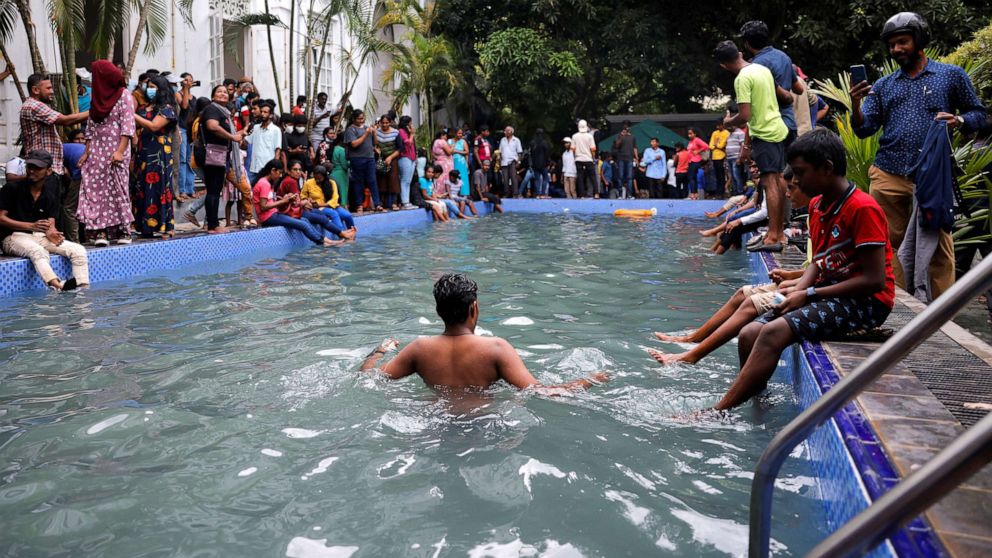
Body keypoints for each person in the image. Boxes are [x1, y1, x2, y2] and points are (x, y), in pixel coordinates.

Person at [711, 129, 895, 410]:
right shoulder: (820, 206)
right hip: (826, 293)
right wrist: (799, 288)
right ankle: (757, 400)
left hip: (866, 303)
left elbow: (874, 281)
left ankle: (719, 412)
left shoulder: (862, 208)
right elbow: (820, 261)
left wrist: (809, 294)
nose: (794, 181)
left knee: (772, 333)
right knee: (748, 334)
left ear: (827, 169)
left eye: (800, 173)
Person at [851, 11, 985, 300]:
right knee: (887, 245)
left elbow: (979, 115)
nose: (897, 49)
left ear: (919, 40)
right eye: (892, 45)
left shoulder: (950, 76)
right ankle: (897, 309)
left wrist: (959, 121)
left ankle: (940, 318)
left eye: (903, 42)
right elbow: (865, 129)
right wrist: (856, 104)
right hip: (888, 173)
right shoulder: (885, 85)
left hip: (933, 175)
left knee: (938, 246)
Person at [650, 167, 811, 365]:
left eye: (792, 188)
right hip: (801, 282)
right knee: (742, 293)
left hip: (809, 290)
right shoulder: (814, 211)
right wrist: (791, 274)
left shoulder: (826, 213)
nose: (786, 194)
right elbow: (820, 266)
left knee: (751, 310)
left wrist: (798, 285)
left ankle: (691, 356)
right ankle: (692, 339)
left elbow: (832, 271)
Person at [361, 273, 608, 392]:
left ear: (438, 311)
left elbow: (369, 378)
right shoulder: (496, 348)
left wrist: (379, 351)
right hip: (482, 424)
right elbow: (541, 392)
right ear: (474, 308)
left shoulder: (419, 348)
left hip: (431, 424)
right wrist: (591, 380)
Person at [715, 40, 789, 252]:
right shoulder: (762, 69)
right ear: (739, 53)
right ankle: (779, 232)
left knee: (769, 182)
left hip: (765, 133)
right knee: (778, 179)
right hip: (778, 128)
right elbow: (784, 95)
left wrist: (728, 122)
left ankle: (774, 234)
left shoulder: (742, 79)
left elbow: (745, 116)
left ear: (723, 64)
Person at [0, 150, 89, 291]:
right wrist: (31, 225)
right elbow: (1, 218)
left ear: (48, 171)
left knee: (78, 250)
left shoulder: (50, 193)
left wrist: (52, 232)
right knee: (38, 251)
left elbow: (51, 220)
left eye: (38, 168)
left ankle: (82, 289)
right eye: (30, 167)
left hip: (40, 236)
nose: (32, 171)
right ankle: (58, 285)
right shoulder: (11, 188)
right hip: (13, 237)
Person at [77, 61, 135, 246]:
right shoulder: (97, 97)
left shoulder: (124, 95)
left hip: (117, 146)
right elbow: (91, 126)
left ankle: (122, 231)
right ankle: (100, 231)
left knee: (117, 188)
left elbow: (127, 126)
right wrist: (86, 152)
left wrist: (119, 151)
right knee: (95, 189)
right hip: (96, 148)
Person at [130, 75, 178, 238]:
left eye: (153, 87)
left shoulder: (167, 108)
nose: (149, 89)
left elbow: (154, 125)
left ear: (162, 89)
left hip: (159, 153)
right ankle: (145, 226)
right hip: (143, 151)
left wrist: (131, 114)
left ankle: (166, 225)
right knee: (141, 187)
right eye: (147, 86)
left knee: (159, 186)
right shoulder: (144, 108)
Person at [251, 159, 340, 246]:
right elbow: (263, 206)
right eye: (279, 172)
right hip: (268, 217)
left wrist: (285, 199)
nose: (280, 175)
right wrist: (283, 201)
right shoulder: (264, 184)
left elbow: (270, 201)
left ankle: (325, 239)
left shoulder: (267, 183)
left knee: (304, 220)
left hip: (273, 214)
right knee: (303, 225)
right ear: (273, 170)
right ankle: (322, 242)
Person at [740, 20, 804, 142]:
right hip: (789, 124)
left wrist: (746, 145)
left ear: (747, 44)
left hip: (769, 130)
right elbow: (799, 90)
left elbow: (753, 106)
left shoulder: (755, 66)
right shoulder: (783, 57)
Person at [20, 74, 89, 179]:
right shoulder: (34, 106)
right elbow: (66, 120)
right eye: (48, 88)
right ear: (35, 90)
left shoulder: (32, 105)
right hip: (43, 168)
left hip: (45, 167)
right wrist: (95, 111)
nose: (52, 91)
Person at [198, 84, 245, 232]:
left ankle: (212, 224)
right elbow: (212, 126)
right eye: (219, 92)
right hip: (212, 154)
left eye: (225, 92)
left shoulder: (224, 113)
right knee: (213, 190)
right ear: (213, 96)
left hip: (219, 154)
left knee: (214, 189)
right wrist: (232, 137)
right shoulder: (212, 109)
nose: (223, 94)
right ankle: (213, 225)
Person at [301, 165, 357, 238]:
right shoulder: (308, 183)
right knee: (334, 214)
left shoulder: (332, 183)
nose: (317, 180)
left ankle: (352, 233)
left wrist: (321, 205)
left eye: (319, 179)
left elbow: (335, 199)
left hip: (330, 205)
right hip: (317, 208)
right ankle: (343, 235)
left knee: (347, 215)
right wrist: (308, 200)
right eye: (315, 178)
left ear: (324, 177)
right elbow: (302, 196)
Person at [343, 110, 382, 213]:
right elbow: (354, 144)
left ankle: (377, 204)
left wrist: (374, 133)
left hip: (370, 158)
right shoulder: (350, 130)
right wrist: (366, 133)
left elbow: (376, 143)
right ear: (353, 119)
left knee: (372, 181)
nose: (362, 121)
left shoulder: (366, 128)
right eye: (359, 119)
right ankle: (359, 204)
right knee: (358, 182)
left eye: (363, 118)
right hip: (357, 158)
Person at [246, 100, 282, 183]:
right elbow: (246, 143)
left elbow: (277, 150)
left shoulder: (275, 130)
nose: (262, 114)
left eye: (265, 112)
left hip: (266, 168)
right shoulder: (255, 128)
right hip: (253, 167)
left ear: (271, 115)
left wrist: (274, 167)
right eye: (261, 111)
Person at [61, 129, 86, 243]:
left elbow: (64, 172)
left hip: (81, 172)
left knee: (69, 208)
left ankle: (74, 242)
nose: (80, 141)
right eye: (77, 138)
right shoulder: (82, 148)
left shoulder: (59, 148)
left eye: (82, 138)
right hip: (93, 170)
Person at [176, 72, 197, 200]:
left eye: (191, 80)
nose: (189, 82)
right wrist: (185, 90)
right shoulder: (178, 94)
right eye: (186, 80)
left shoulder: (193, 97)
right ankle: (182, 189)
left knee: (189, 160)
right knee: (182, 159)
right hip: (181, 129)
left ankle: (190, 188)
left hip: (190, 131)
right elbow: (184, 106)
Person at [376, 115, 402, 210]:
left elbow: (400, 148)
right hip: (380, 158)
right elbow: (374, 144)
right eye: (383, 123)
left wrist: (390, 157)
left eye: (387, 123)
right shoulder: (376, 132)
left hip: (393, 158)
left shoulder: (395, 133)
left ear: (390, 123)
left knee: (393, 179)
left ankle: (394, 203)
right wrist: (376, 150)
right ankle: (382, 202)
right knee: (381, 180)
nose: (384, 125)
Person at [612, 121, 638, 199]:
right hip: (621, 159)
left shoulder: (633, 137)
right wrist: (622, 137)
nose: (626, 128)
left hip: (630, 158)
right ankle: (620, 194)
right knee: (620, 177)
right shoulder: (618, 136)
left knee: (630, 177)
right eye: (624, 127)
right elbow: (616, 145)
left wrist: (636, 158)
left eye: (627, 127)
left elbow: (635, 148)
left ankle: (629, 194)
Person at [572, 120, 597, 198]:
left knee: (580, 177)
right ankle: (596, 193)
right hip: (588, 159)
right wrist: (593, 158)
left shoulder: (574, 136)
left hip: (578, 159)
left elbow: (573, 149)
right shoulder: (589, 136)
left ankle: (582, 194)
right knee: (593, 176)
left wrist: (575, 157)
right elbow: (593, 149)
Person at [397, 116, 417, 208]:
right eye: (410, 123)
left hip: (412, 157)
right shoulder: (401, 131)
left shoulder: (408, 132)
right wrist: (412, 134)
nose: (411, 125)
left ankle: (407, 201)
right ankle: (404, 202)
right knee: (404, 180)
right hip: (405, 157)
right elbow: (408, 143)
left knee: (408, 181)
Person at [498, 126, 523, 197]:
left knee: (513, 178)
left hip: (513, 161)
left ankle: (515, 194)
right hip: (504, 161)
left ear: (511, 132)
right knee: (505, 179)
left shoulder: (516, 140)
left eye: (507, 131)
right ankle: (506, 194)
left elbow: (520, 152)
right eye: (505, 131)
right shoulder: (502, 140)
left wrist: (519, 162)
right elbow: (500, 151)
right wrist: (499, 161)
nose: (505, 132)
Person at [685, 128, 709, 200]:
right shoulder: (690, 142)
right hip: (690, 161)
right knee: (694, 177)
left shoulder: (697, 140)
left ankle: (692, 193)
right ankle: (695, 194)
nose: (689, 135)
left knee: (691, 177)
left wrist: (698, 151)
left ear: (695, 134)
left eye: (691, 133)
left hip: (695, 160)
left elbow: (706, 146)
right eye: (688, 134)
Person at [330, 130, 350, 210]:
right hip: (341, 174)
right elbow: (345, 165)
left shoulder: (334, 148)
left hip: (333, 173)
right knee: (343, 192)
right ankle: (343, 208)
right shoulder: (342, 150)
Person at [725, 121, 747, 195]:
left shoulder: (740, 133)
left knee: (736, 175)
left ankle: (740, 192)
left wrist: (739, 157)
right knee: (732, 176)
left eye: (729, 126)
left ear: (734, 125)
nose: (728, 128)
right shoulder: (729, 134)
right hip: (729, 157)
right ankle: (734, 191)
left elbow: (742, 145)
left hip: (736, 157)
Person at [529, 129, 551, 198]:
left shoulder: (532, 142)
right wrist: (548, 163)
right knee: (545, 178)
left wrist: (531, 163)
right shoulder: (544, 142)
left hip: (535, 163)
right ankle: (543, 193)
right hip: (543, 163)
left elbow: (531, 154)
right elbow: (547, 154)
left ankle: (538, 194)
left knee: (537, 179)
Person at [709, 122, 730, 196]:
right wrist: (716, 145)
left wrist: (716, 145)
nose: (717, 127)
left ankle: (721, 192)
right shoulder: (714, 133)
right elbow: (710, 146)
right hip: (714, 157)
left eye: (719, 125)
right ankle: (718, 191)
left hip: (722, 156)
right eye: (717, 125)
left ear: (723, 125)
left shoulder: (726, 133)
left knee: (721, 175)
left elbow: (722, 145)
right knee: (717, 175)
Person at [450, 127, 471, 199]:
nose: (460, 135)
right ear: (455, 133)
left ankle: (464, 194)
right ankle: (454, 193)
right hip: (452, 162)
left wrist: (457, 151)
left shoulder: (463, 141)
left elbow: (467, 152)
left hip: (461, 162)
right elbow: (449, 151)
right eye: (459, 133)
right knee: (453, 176)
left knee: (463, 177)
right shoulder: (450, 141)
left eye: (461, 133)